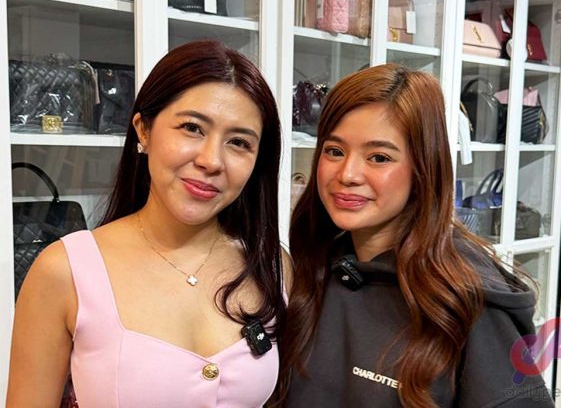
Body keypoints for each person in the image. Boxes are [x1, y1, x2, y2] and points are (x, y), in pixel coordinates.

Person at [7, 40, 291, 408]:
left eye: (239, 142)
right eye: (192, 128)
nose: (211, 160)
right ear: (144, 130)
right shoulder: (65, 270)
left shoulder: (272, 266)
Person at [276, 64, 554, 407]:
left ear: (423, 167)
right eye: (334, 151)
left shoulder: (463, 299)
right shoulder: (313, 268)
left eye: (379, 157)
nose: (347, 174)